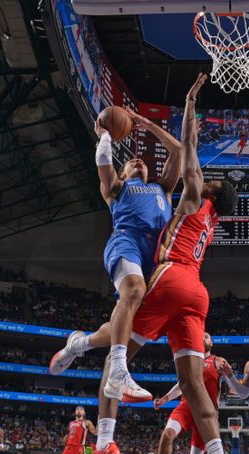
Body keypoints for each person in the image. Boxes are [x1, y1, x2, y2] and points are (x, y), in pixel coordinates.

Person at [72, 73, 242, 454]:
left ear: (213, 191)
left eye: (210, 179)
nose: (206, 178)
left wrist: (188, 107)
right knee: (192, 386)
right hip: (198, 295)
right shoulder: (207, 219)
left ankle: (105, 444)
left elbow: (186, 152)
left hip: (170, 278)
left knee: (116, 348)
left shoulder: (191, 198)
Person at [49, 107, 182, 405]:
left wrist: (149, 125)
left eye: (143, 162)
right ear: (123, 173)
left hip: (153, 259)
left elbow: (178, 150)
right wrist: (105, 135)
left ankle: (79, 344)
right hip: (125, 243)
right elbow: (103, 160)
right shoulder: (117, 188)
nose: (138, 161)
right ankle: (119, 371)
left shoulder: (163, 189)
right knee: (133, 290)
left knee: (127, 327)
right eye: (131, 162)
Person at [153, 332, 230, 454]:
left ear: (212, 342)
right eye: (201, 335)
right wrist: (165, 398)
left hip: (206, 413)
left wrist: (229, 376)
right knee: (167, 435)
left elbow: (232, 383)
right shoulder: (190, 360)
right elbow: (183, 384)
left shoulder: (218, 361)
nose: (203, 338)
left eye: (207, 336)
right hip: (187, 406)